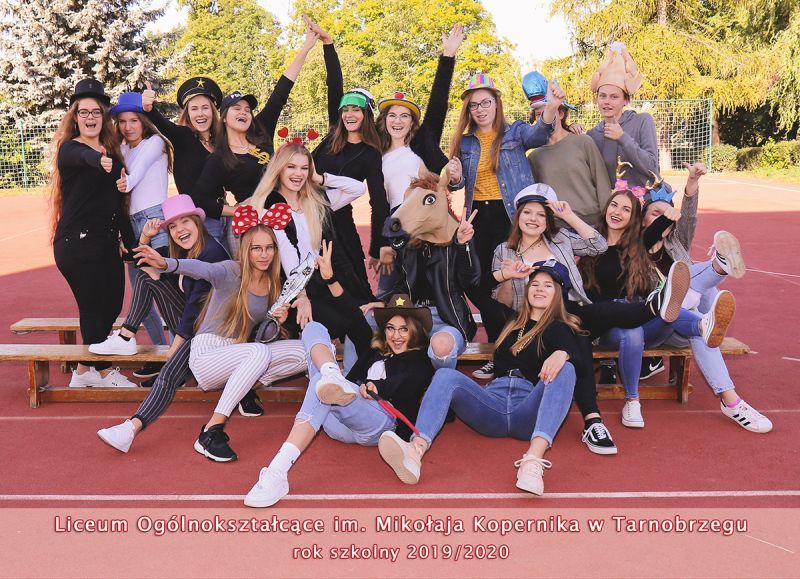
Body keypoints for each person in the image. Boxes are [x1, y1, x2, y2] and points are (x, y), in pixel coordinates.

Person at [490, 184, 692, 454]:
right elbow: (502, 302)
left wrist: (569, 215)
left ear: (549, 219)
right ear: (518, 216)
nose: (534, 219)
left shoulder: (561, 239)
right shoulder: (504, 251)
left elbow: (598, 245)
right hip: (533, 323)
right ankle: (593, 420)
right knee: (579, 340)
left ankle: (655, 307)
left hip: (568, 312)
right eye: (528, 212)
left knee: (597, 315)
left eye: (541, 214)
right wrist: (507, 276)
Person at [378, 267, 584, 496]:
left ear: (557, 293)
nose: (539, 289)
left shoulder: (559, 328)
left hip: (527, 410)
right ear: (527, 290)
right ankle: (415, 451)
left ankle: (533, 461)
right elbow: (473, 290)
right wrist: (506, 274)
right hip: (491, 405)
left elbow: (579, 359)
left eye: (547, 285)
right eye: (534, 284)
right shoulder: (510, 320)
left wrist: (562, 353)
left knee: (566, 368)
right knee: (445, 375)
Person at [243, 287, 434, 508]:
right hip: (340, 425)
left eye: (403, 329)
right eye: (391, 328)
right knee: (313, 328)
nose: (396, 336)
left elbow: (408, 382)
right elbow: (352, 316)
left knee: (320, 382)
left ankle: (277, 471)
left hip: (380, 424)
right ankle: (331, 372)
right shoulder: (374, 351)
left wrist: (376, 386)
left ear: (414, 331)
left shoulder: (419, 359)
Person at [133, 223, 307, 461]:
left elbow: (262, 335)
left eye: (269, 248)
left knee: (305, 351)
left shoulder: (273, 284)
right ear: (246, 250)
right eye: (256, 248)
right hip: (208, 353)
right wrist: (166, 264)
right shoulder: (231, 270)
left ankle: (244, 386)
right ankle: (211, 431)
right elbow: (202, 269)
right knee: (259, 352)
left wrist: (276, 320)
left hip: (237, 354)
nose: (264, 254)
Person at [578, 185, 738, 428]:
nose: (618, 212)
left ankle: (704, 318)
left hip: (641, 318)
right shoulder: (589, 244)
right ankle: (632, 401)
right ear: (606, 209)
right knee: (637, 327)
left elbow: (660, 229)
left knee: (665, 309)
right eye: (614, 205)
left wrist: (673, 212)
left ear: (633, 218)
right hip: (607, 327)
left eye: (626, 209)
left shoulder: (636, 246)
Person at [639, 165, 772, 433]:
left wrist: (692, 181)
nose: (664, 218)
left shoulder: (677, 242)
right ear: (642, 220)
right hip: (657, 325)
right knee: (695, 282)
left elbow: (688, 216)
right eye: (656, 213)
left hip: (687, 323)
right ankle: (719, 267)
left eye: (668, 214)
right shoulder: (634, 250)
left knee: (702, 327)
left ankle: (732, 402)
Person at [95, 195, 230, 453]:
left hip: (214, 332)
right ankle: (125, 337)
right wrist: (145, 238)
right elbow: (143, 261)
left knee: (168, 374)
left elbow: (193, 312)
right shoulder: (184, 249)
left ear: (198, 222)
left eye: (185, 222)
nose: (180, 230)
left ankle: (131, 428)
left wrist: (173, 351)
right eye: (173, 226)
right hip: (197, 321)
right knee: (147, 277)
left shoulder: (210, 254)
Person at [446, 72, 562, 351]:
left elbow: (540, 134)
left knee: (515, 279)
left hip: (510, 215)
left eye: (485, 102)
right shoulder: (465, 142)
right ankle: (501, 343)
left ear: (496, 104)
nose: (480, 110)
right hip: (478, 217)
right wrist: (455, 177)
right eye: (474, 105)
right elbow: (458, 183)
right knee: (479, 282)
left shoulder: (515, 132)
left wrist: (551, 106)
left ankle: (518, 342)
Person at [241, 141, 374, 360]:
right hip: (291, 287)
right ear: (279, 169)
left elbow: (358, 188)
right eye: (291, 167)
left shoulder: (316, 200)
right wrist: (301, 296)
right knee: (339, 322)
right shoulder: (269, 206)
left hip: (323, 280)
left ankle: (366, 373)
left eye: (304, 168)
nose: (298, 173)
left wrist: (319, 178)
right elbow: (287, 255)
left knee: (360, 324)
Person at [190, 23, 321, 243]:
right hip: (258, 226)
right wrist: (236, 210)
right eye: (237, 108)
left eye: (247, 109)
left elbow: (282, 90)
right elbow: (199, 199)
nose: (244, 112)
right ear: (224, 117)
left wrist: (307, 46)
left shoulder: (261, 131)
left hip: (291, 213)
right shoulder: (220, 158)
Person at [50, 78, 137, 389]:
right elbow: (81, 156)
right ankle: (102, 371)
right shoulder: (70, 149)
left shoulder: (112, 156)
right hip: (76, 243)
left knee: (112, 304)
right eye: (83, 112)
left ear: (103, 117)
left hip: (104, 242)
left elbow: (119, 206)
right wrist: (97, 159)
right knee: (92, 307)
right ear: (75, 117)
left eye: (96, 112)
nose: (90, 117)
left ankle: (83, 369)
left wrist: (132, 245)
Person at [373, 24, 465, 298]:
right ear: (384, 120)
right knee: (389, 294)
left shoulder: (421, 143)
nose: (398, 121)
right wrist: (381, 243)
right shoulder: (374, 153)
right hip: (394, 225)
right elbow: (378, 204)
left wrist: (447, 57)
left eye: (405, 116)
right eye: (392, 115)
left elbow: (437, 104)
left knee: (432, 292)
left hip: (426, 220)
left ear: (413, 122)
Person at [308, 19, 388, 306]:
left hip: (339, 221)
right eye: (345, 110)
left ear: (366, 115)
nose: (349, 115)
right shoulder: (333, 135)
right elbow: (334, 84)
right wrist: (328, 45)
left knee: (355, 283)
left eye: (356, 109)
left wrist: (377, 246)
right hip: (306, 213)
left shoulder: (370, 153)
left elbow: (378, 201)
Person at [376, 172, 480, 371]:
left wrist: (463, 245)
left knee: (441, 345)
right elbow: (403, 285)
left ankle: (441, 387)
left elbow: (471, 281)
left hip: (447, 318)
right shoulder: (408, 242)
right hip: (411, 315)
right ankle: (349, 383)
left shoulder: (456, 237)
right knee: (365, 320)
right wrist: (383, 302)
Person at [110, 91, 172, 378]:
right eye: (122, 121)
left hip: (154, 221)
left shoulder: (155, 142)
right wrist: (122, 234)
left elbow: (134, 174)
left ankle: (178, 355)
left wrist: (125, 181)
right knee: (140, 297)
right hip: (131, 224)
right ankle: (161, 354)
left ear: (144, 120)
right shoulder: (122, 148)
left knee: (164, 292)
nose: (127, 127)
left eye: (133, 120)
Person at [523, 71, 612, 226]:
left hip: (592, 224)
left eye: (549, 110)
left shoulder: (583, 142)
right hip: (558, 228)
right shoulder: (534, 157)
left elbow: (602, 184)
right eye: (538, 114)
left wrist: (607, 224)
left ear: (561, 113)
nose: (544, 117)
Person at [142, 76, 225, 238]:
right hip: (201, 219)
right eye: (194, 109)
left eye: (205, 108)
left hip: (224, 213)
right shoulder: (183, 136)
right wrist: (149, 108)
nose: (200, 114)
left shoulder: (220, 141)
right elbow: (164, 124)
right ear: (188, 113)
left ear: (213, 111)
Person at [585, 42, 658, 189]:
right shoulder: (592, 135)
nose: (607, 101)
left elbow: (652, 167)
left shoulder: (642, 121)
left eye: (614, 97)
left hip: (646, 199)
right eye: (602, 96)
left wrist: (622, 137)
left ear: (625, 100)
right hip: (613, 202)